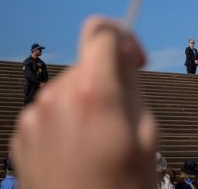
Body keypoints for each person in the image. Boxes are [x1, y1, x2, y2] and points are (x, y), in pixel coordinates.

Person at [10, 16, 158, 189]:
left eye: (41, 50)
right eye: (39, 50)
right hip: (32, 91)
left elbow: (46, 74)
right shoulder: (27, 62)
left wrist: (44, 82)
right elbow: (28, 75)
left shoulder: (42, 63)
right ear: (33, 50)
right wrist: (38, 82)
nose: (41, 52)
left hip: (41, 89)